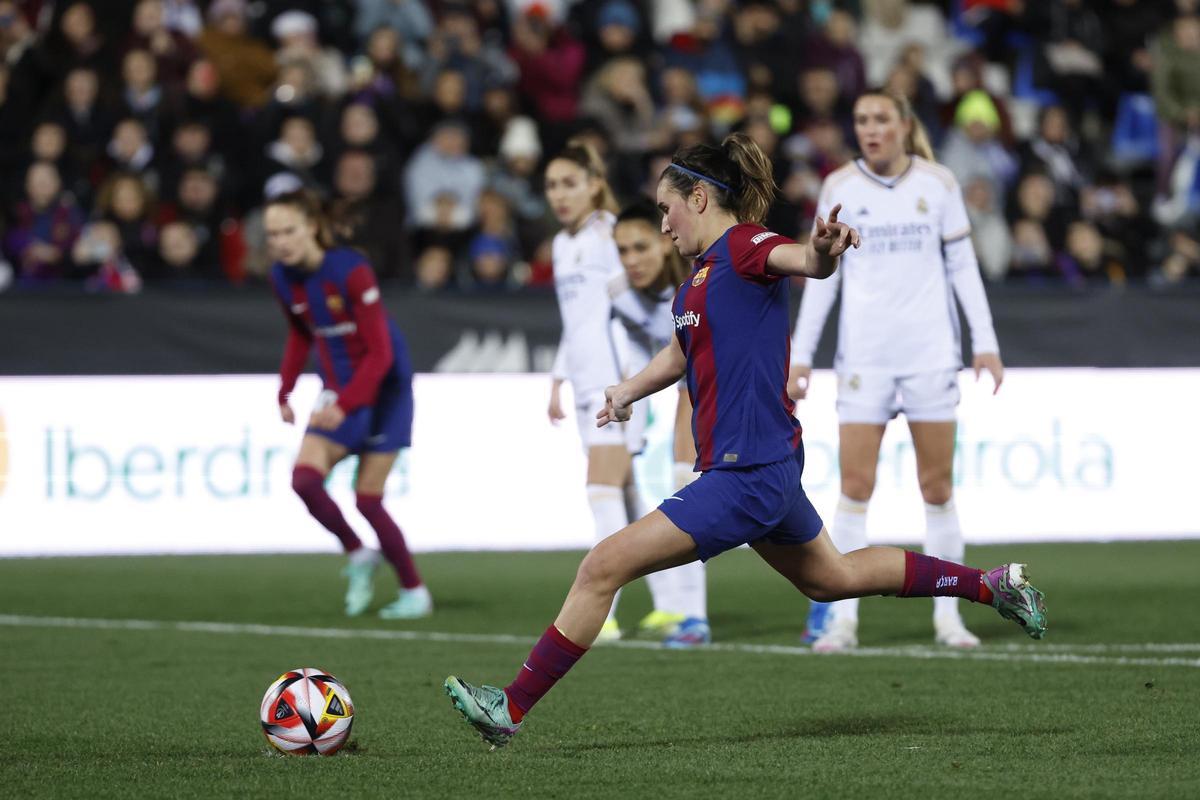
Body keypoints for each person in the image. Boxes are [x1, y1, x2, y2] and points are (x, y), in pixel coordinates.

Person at [444, 133, 1046, 750]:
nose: (663, 221)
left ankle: (510, 708)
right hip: (766, 467)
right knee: (832, 578)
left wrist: (822, 253)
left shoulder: (743, 244)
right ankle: (989, 585)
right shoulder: (698, 280)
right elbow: (679, 355)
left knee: (602, 566)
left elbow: (800, 260)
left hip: (745, 472)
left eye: (665, 206)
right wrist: (626, 390)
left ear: (699, 197)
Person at [789, 89, 1004, 652]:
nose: (870, 128)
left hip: (930, 356)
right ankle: (842, 621)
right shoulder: (839, 187)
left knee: (937, 488)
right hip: (865, 361)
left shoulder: (938, 185)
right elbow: (819, 273)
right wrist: (802, 353)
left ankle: (950, 619)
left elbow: (963, 268)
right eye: (860, 119)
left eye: (881, 118)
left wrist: (985, 343)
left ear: (905, 125)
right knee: (855, 486)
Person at [265, 189, 430, 620]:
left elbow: (380, 354)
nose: (281, 242)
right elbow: (301, 333)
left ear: (312, 228)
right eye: (272, 234)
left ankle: (415, 592)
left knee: (367, 499)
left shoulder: (351, 271)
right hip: (339, 388)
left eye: (289, 231)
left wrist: (346, 403)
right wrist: (285, 390)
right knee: (303, 480)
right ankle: (359, 554)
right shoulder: (282, 276)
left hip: (386, 389)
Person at [542, 139, 641, 642]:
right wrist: (559, 378)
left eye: (569, 184)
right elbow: (576, 320)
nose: (559, 195)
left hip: (614, 385)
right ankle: (677, 606)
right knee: (628, 494)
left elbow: (631, 312)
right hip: (583, 383)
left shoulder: (610, 236)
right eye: (551, 186)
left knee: (602, 489)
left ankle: (604, 613)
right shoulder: (562, 244)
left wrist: (631, 382)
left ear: (594, 184)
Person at [610, 198, 709, 646]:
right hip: (655, 373)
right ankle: (676, 605)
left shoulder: (695, 281)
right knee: (624, 480)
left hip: (702, 378)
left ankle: (693, 615)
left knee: (684, 480)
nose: (632, 261)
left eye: (640, 248)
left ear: (665, 242)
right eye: (623, 252)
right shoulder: (617, 293)